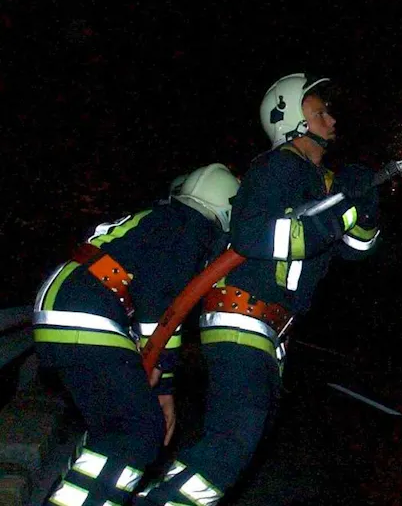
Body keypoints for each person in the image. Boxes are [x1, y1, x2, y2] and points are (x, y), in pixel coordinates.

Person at [136, 73, 381, 505]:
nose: (332, 118)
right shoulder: (276, 168)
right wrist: (342, 207)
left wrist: (364, 205)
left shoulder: (320, 180)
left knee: (234, 445)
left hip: (270, 330)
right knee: (232, 442)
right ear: (292, 121)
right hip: (243, 315)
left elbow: (355, 249)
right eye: (319, 111)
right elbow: (255, 236)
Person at [34, 163, 240, 506]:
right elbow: (162, 304)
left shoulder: (159, 220)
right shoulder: (190, 227)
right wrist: (163, 367)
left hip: (64, 305)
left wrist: (163, 384)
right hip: (89, 310)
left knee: (113, 431)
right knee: (139, 433)